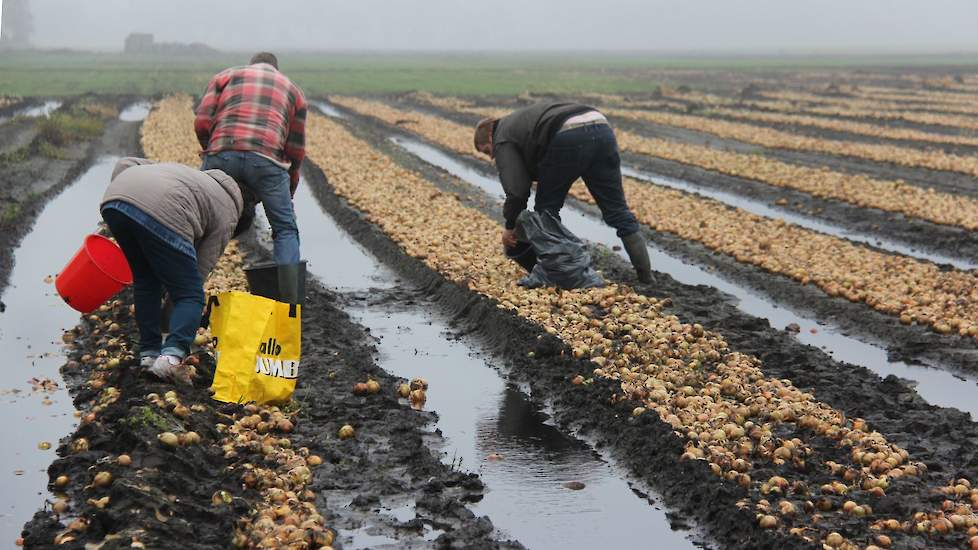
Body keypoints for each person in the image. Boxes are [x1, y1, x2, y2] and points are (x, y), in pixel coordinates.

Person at [101, 158, 252, 383]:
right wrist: (172, 326)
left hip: (116, 199)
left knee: (146, 280)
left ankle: (149, 355)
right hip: (164, 210)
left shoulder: (193, 177)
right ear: (242, 219)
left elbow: (125, 162)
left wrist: (127, 197)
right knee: (190, 294)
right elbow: (197, 274)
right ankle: (170, 359)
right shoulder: (230, 212)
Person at [473, 102, 653, 284]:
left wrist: (510, 226)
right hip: (601, 127)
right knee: (617, 209)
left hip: (567, 135)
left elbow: (517, 191)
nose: (492, 157)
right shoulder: (517, 122)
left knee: (546, 212)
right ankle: (646, 276)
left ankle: (558, 272)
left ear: (489, 136)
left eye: (488, 151)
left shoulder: (501, 137)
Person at [195, 51, 307, 303]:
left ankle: (180, 295)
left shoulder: (225, 77)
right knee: (285, 229)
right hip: (266, 161)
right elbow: (296, 150)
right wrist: (288, 188)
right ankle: (290, 303)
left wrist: (211, 150)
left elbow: (202, 122)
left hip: (222, 153)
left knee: (198, 221)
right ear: (276, 69)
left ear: (251, 65)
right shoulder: (294, 91)